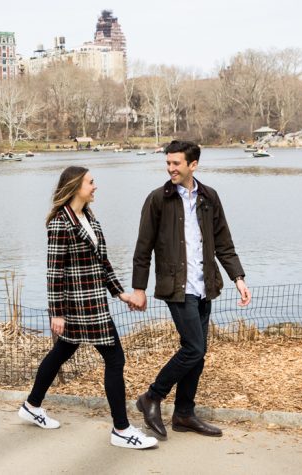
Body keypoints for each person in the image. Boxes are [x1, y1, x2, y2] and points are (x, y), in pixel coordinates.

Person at [19, 166, 158, 450]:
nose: (95, 187)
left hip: (95, 300)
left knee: (62, 351)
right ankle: (121, 429)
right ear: (75, 186)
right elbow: (54, 272)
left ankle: (32, 405)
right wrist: (56, 312)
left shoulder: (89, 218)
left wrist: (122, 294)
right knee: (115, 359)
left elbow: (102, 263)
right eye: (91, 182)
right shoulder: (61, 222)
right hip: (80, 305)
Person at [130, 140, 251, 439]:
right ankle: (152, 397)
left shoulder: (209, 197)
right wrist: (139, 289)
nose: (170, 168)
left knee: (198, 353)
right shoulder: (157, 199)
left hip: (204, 285)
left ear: (192, 165)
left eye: (176, 164)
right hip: (176, 286)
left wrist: (238, 277)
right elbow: (142, 248)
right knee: (194, 347)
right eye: (168, 163)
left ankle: (184, 413)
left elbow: (223, 242)